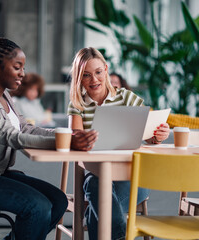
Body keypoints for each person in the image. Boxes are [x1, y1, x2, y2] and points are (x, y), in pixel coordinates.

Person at [0, 38, 98, 240]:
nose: (23, 74)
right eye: (17, 67)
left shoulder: (4, 96)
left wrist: (69, 135)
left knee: (58, 201)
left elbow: (25, 128)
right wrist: (65, 142)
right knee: (37, 207)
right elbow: (10, 136)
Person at [67, 47, 170, 240]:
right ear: (79, 78)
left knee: (95, 210)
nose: (94, 80)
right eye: (86, 75)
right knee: (94, 185)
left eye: (98, 72)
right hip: (97, 176)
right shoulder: (77, 104)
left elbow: (149, 135)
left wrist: (159, 135)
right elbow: (76, 139)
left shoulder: (127, 98)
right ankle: (121, 236)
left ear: (106, 69)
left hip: (132, 178)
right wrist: (82, 139)